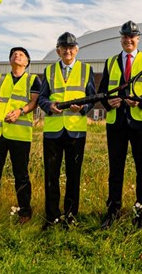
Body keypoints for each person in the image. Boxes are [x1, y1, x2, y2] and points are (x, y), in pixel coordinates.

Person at [99, 21, 142, 229]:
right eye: (125, 36)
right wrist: (109, 102)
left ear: (138, 38)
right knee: (116, 169)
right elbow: (103, 92)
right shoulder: (110, 62)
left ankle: (141, 213)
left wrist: (141, 99)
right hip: (116, 123)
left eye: (132, 36)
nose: (128, 40)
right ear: (121, 38)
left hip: (141, 124)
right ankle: (113, 211)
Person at [37, 32, 96, 229]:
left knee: (73, 175)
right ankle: (52, 217)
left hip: (76, 130)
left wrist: (83, 108)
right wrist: (48, 105)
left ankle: (71, 215)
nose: (68, 50)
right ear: (58, 50)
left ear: (77, 50)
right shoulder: (49, 70)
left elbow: (92, 97)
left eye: (71, 47)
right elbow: (42, 98)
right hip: (53, 131)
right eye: (64, 47)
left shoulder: (86, 70)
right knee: (51, 176)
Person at [0, 47, 40, 225]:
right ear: (9, 61)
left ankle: (25, 212)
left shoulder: (33, 79)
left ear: (27, 62)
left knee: (21, 175)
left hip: (19, 135)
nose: (17, 55)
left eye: (21, 54)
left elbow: (34, 102)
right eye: (14, 54)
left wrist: (20, 111)